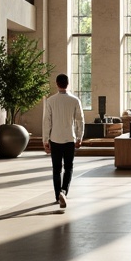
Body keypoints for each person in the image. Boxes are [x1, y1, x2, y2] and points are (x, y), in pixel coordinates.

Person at [42, 73, 85, 208]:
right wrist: (79, 137)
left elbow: (46, 121)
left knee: (56, 169)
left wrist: (45, 139)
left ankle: (57, 196)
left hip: (55, 138)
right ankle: (64, 191)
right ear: (68, 84)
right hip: (69, 138)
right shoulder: (74, 100)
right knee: (68, 168)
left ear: (56, 83)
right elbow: (80, 120)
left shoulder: (50, 100)